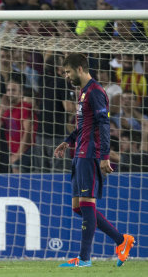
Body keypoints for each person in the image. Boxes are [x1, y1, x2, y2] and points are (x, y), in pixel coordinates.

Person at [54, 53, 135, 268]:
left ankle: (84, 258)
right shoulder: (83, 92)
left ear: (80, 68)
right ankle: (121, 240)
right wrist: (68, 141)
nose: (66, 76)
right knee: (78, 207)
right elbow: (83, 125)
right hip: (79, 153)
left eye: (68, 72)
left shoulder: (96, 92)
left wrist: (104, 156)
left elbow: (103, 126)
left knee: (87, 204)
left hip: (90, 155)